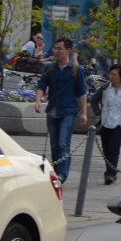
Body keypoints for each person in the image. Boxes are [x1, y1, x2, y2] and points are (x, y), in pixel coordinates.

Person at [34, 37, 88, 182]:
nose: (56, 51)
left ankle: (62, 174)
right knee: (54, 144)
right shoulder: (49, 68)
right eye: (55, 48)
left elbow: (82, 92)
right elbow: (41, 86)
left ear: (68, 51)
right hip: (52, 110)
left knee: (63, 143)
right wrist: (38, 101)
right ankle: (56, 171)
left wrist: (84, 113)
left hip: (68, 111)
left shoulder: (76, 70)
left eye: (59, 48)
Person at [96, 63, 121, 184]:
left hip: (119, 124)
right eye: (110, 74)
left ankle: (110, 174)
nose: (111, 76)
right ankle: (110, 171)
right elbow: (93, 100)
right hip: (106, 123)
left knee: (113, 148)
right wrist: (99, 113)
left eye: (114, 74)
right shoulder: (105, 88)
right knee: (106, 149)